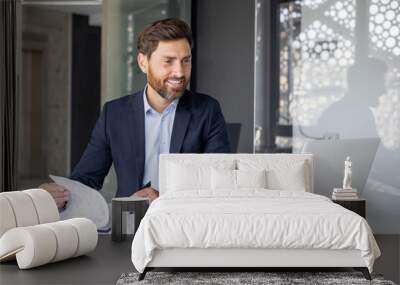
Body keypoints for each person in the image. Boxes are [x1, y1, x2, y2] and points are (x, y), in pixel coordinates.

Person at [40, 18, 231, 207]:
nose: (180, 72)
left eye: (185, 61)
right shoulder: (114, 114)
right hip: (128, 226)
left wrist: (163, 197)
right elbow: (87, 179)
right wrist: (59, 194)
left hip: (184, 224)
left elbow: (220, 182)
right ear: (143, 62)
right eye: (168, 61)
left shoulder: (207, 110)